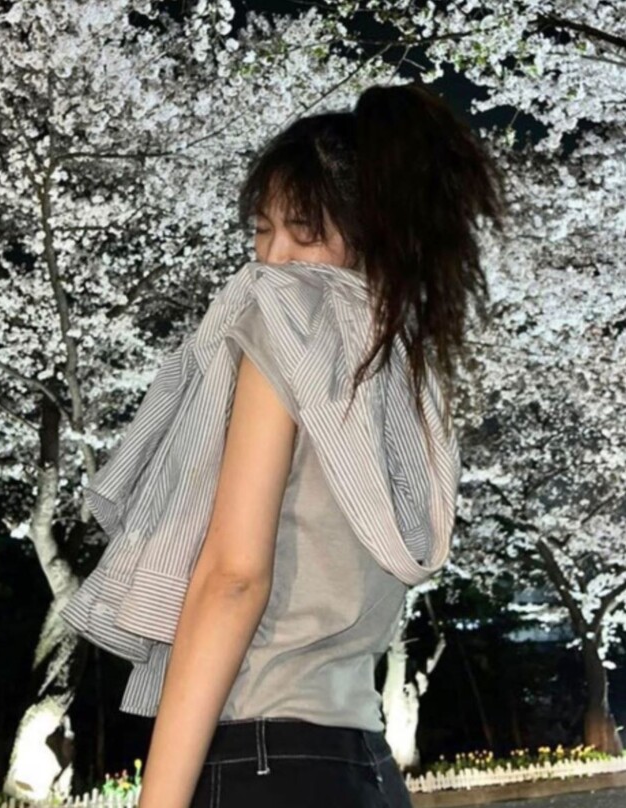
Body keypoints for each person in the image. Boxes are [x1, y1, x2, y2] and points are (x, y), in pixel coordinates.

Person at [87, 81, 505, 808]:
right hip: (363, 766)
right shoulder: (406, 365)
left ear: (371, 234)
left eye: (304, 233)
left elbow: (234, 578)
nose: (274, 260)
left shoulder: (284, 322)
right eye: (262, 230)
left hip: (261, 755)